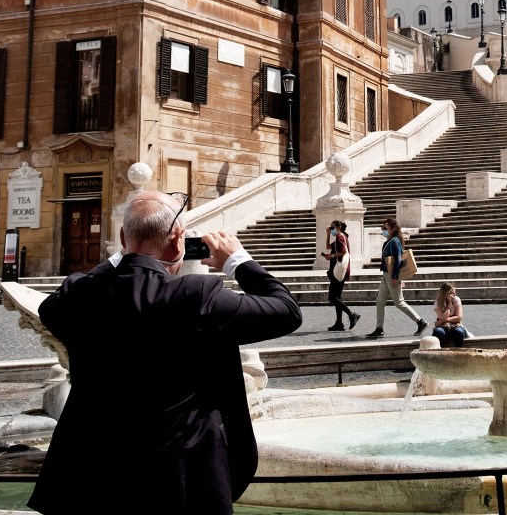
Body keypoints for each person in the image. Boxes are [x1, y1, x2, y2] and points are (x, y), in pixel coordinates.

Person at [30, 192, 301, 515]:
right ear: (177, 242)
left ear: (121, 239)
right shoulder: (196, 297)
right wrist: (236, 259)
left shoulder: (76, 296)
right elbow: (286, 310)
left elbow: (54, 303)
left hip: (89, 480)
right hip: (181, 479)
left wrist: (126, 256)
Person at [367, 217, 426, 338]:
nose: (383, 230)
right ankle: (379, 328)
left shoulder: (394, 241)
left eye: (385, 228)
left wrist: (396, 277)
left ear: (393, 228)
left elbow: (398, 260)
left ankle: (420, 321)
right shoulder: (389, 240)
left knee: (399, 302)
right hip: (386, 275)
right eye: (383, 227)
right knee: (380, 302)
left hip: (391, 275)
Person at [320, 219, 358, 332]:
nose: (331, 230)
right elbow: (328, 246)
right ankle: (339, 323)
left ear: (338, 228)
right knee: (337, 297)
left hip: (338, 271)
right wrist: (327, 234)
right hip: (340, 270)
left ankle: (352, 315)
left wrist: (331, 257)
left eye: (332, 228)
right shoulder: (341, 237)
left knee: (332, 297)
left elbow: (343, 252)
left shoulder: (340, 237)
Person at [431, 282, 469, 347]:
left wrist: (442, 321)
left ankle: (458, 352)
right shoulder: (437, 303)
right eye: (452, 293)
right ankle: (441, 352)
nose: (454, 295)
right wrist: (449, 305)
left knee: (459, 332)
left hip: (456, 326)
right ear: (446, 294)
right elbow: (444, 318)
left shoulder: (457, 299)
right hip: (444, 326)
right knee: (438, 332)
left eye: (454, 293)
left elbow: (459, 317)